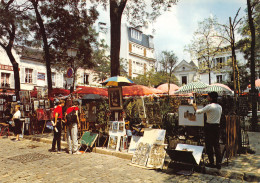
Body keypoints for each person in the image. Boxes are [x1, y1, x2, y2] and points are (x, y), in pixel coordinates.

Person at [193, 92, 222, 169]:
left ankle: (211, 162)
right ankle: (219, 163)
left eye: (208, 96)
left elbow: (198, 112)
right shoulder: (219, 107)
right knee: (216, 145)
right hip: (217, 126)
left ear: (211, 98)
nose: (207, 98)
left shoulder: (209, 106)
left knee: (209, 145)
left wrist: (195, 106)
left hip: (210, 127)